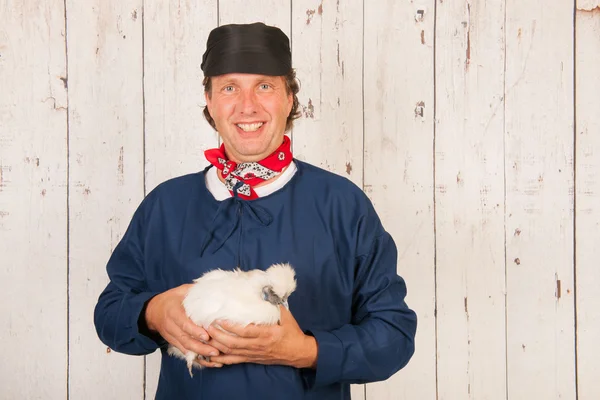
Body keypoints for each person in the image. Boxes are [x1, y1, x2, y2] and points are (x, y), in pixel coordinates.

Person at [94, 22, 417, 400]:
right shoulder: (166, 205)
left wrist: (305, 351)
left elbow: (394, 334)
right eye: (230, 88)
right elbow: (110, 312)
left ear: (289, 99)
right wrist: (152, 312)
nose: (247, 105)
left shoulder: (341, 204)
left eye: (265, 86)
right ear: (210, 100)